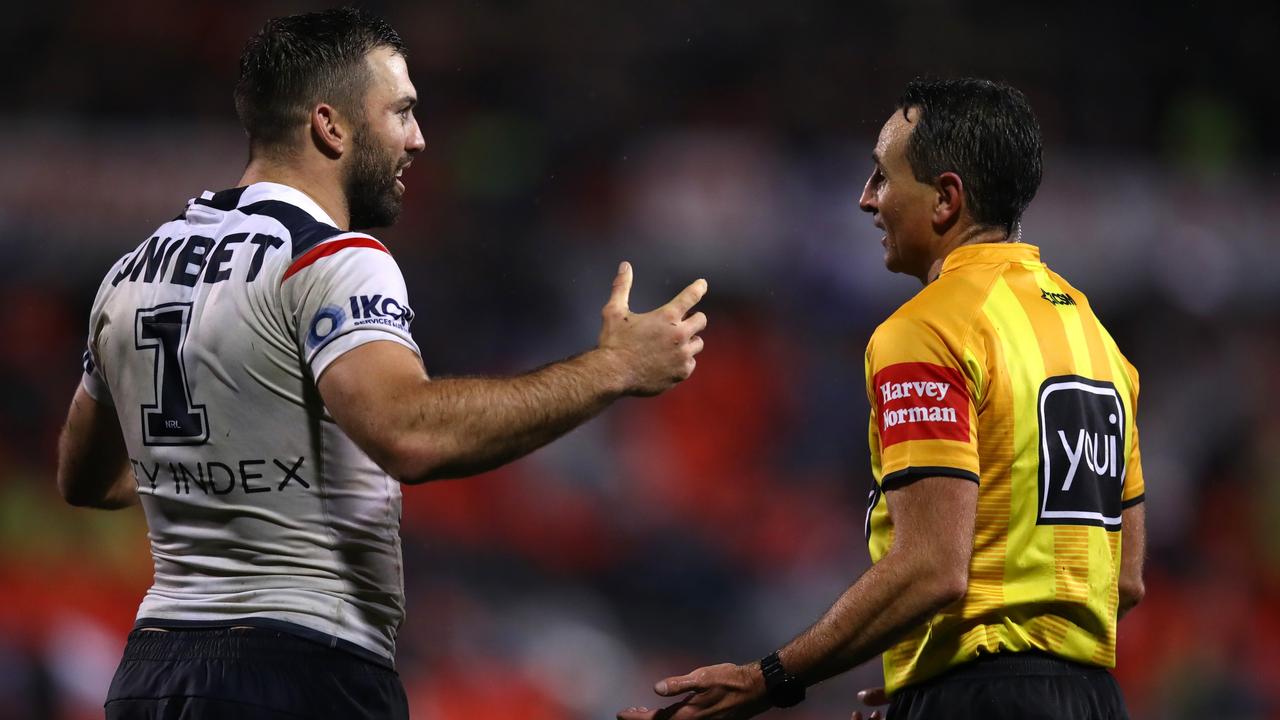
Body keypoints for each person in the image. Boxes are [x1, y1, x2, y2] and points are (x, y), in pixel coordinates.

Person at [55, 8, 708, 720]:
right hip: (300, 669)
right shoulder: (335, 259)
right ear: (331, 126)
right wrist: (610, 370)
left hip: (151, 675)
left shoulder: (131, 272)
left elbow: (84, 478)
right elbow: (411, 437)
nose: (419, 139)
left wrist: (208, 466)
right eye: (401, 112)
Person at [617, 78, 1145, 720]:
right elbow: (1123, 580)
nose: (866, 199)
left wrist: (769, 680)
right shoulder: (1097, 341)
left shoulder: (929, 328)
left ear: (946, 198)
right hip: (1095, 701)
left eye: (883, 177)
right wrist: (938, 667)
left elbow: (932, 568)